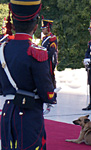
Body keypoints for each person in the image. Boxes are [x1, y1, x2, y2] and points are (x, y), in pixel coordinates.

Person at [0, 0, 57, 150]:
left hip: (7, 112)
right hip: (28, 114)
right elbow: (46, 90)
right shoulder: (37, 52)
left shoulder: (2, 49)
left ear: (12, 25)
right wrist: (52, 97)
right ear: (36, 26)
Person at [41, 18, 58, 89]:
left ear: (48, 28)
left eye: (44, 28)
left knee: (50, 75)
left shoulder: (52, 38)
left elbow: (52, 51)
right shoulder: (44, 38)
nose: (42, 30)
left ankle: (52, 90)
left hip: (49, 60)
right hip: (45, 60)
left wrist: (44, 56)